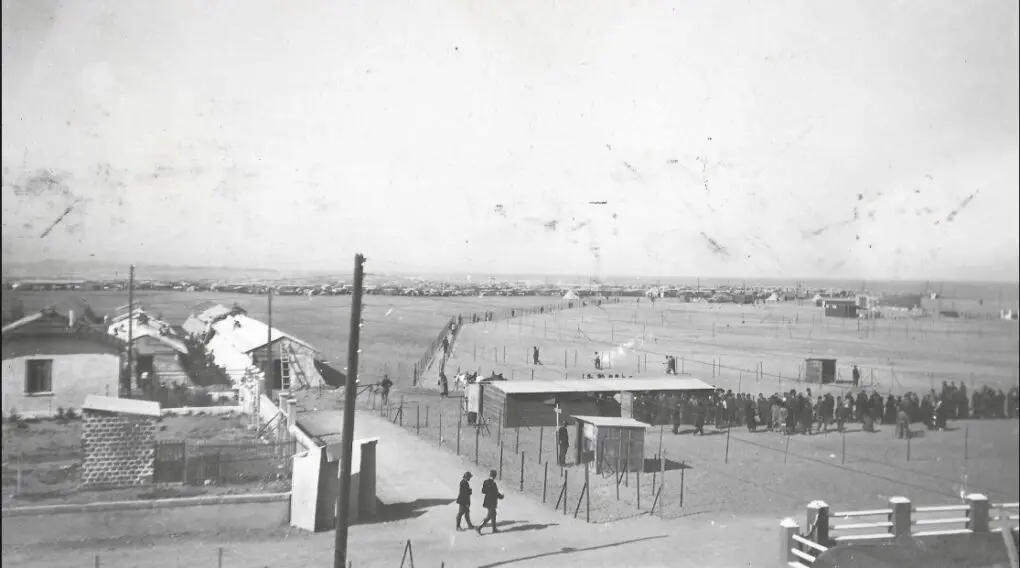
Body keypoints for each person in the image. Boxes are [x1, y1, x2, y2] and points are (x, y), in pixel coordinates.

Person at [477, 470, 504, 535]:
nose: (494, 476)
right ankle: (479, 527)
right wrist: (489, 489)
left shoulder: (493, 483)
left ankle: (494, 529)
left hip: (492, 502)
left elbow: (495, 493)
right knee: (489, 516)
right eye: (494, 475)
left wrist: (500, 496)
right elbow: (483, 491)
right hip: (489, 502)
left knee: (493, 515)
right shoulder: (487, 482)